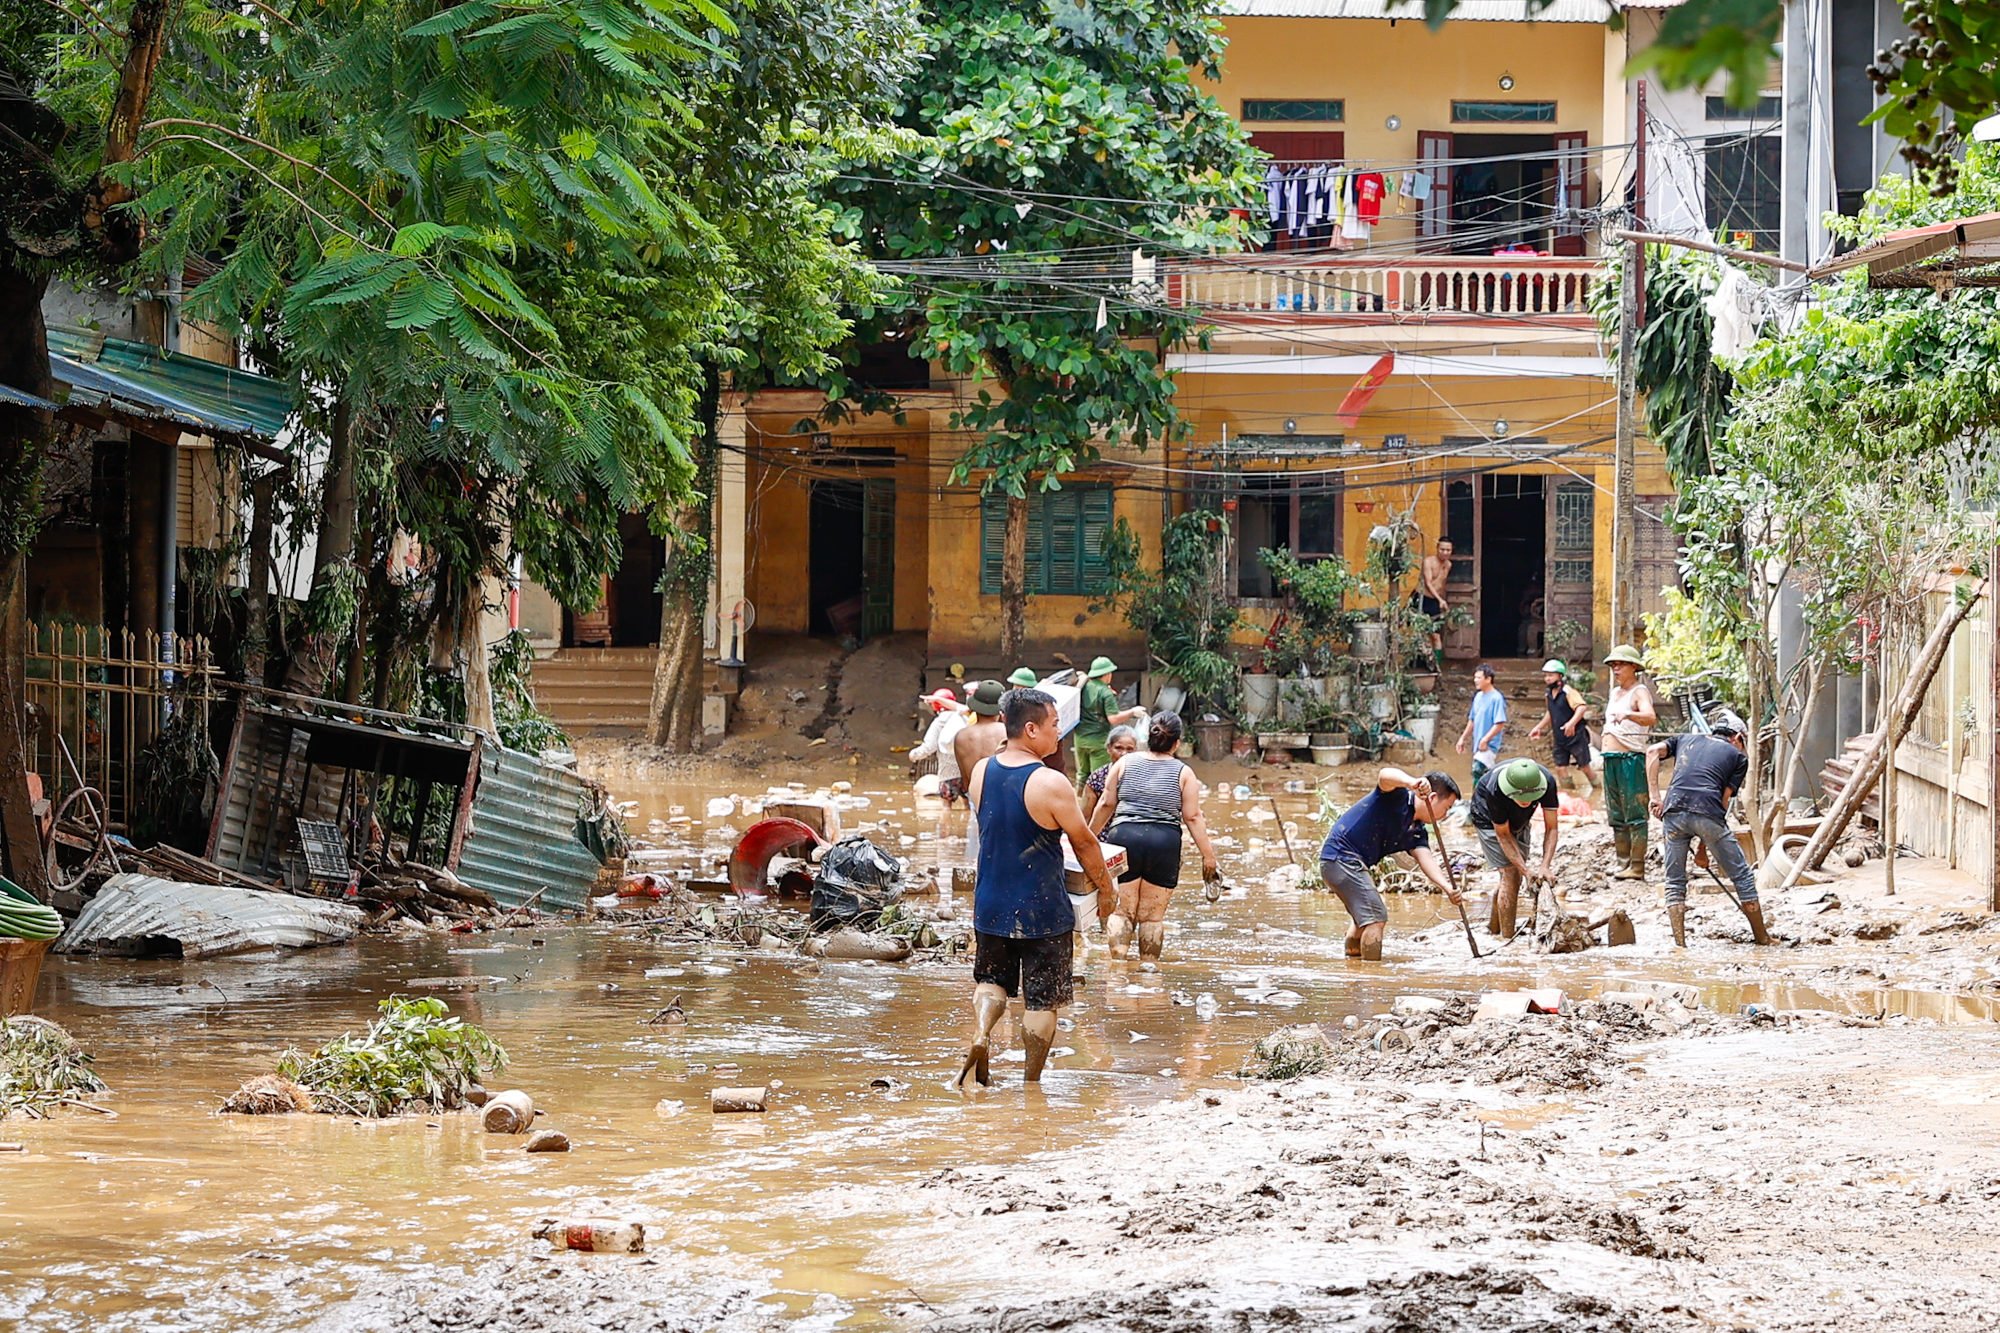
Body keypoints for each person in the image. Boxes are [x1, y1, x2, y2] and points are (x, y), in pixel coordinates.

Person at [959, 688, 1114, 1088]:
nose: (1059, 734)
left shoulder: (981, 772)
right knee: (1042, 1001)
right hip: (1042, 909)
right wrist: (1107, 890)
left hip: (990, 903)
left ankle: (981, 1035)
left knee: (990, 981)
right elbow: (1084, 844)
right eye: (1054, 724)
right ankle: (1031, 1084)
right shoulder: (1051, 782)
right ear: (1031, 729)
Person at [1088, 712, 1217, 970]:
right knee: (1152, 917)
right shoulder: (1184, 772)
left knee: (1122, 911)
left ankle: (1119, 971)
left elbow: (1106, 803)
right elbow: (1192, 816)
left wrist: (1088, 839)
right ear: (1177, 743)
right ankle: (1148, 974)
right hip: (1164, 842)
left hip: (1124, 837)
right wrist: (1208, 856)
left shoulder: (1124, 763)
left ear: (1148, 737)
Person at [1646, 711, 1771, 947]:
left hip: (1673, 812)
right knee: (1742, 877)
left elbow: (1652, 751)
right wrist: (1704, 849)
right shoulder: (1737, 757)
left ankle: (1680, 946)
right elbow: (1721, 805)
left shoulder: (1684, 739)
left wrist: (1656, 798)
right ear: (1736, 737)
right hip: (1708, 814)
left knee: (1674, 882)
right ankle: (1763, 938)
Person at [1318, 768, 1463, 960]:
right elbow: (1384, 775)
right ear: (1433, 797)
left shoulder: (1417, 831)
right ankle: (1371, 977)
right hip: (1341, 858)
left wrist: (1447, 888)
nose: (1444, 815)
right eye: (1447, 808)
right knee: (1376, 918)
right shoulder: (1397, 796)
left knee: (1363, 922)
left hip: (1340, 863)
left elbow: (1426, 860)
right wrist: (1413, 783)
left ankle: (1352, 967)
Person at [1468, 757, 1561, 938]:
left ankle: (1493, 928)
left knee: (1512, 878)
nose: (1526, 801)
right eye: (1521, 798)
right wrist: (1526, 871)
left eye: (1529, 798)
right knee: (1511, 874)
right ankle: (1506, 938)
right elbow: (1503, 834)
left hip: (1521, 820)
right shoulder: (1494, 790)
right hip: (1488, 819)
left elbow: (1552, 827)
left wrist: (1545, 866)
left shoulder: (1547, 782)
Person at [1600, 645, 1658, 880]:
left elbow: (1651, 717)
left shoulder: (1639, 691)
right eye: (1613, 665)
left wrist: (1630, 715)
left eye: (1620, 664)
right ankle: (1622, 863)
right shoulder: (1615, 693)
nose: (1616, 669)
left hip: (1630, 759)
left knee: (1635, 813)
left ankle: (1637, 866)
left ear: (1633, 667)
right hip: (1611, 759)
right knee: (1616, 814)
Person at [954, 681, 1008, 865]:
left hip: (976, 795)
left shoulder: (961, 736)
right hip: (1005, 795)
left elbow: (965, 777)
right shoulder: (1006, 732)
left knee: (980, 845)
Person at [1527, 660, 1596, 799]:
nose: (1547, 679)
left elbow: (1581, 707)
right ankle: (1569, 795)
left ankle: (1598, 789)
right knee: (1560, 768)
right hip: (1559, 738)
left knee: (1584, 767)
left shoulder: (1568, 691)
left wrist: (1571, 723)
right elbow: (1550, 713)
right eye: (1546, 676)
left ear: (1559, 676)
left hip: (1576, 736)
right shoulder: (1548, 695)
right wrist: (1538, 727)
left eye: (1551, 675)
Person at [1073, 656, 1143, 784]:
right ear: (1107, 674)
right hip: (1098, 741)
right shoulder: (1105, 692)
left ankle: (1080, 801)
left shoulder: (1083, 686)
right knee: (1098, 778)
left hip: (1080, 739)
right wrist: (1133, 711)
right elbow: (1113, 719)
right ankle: (1098, 803)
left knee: (1082, 775)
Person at [910, 688, 970, 806]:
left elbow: (929, 746)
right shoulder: (966, 718)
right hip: (967, 772)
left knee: (946, 805)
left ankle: (945, 824)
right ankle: (967, 823)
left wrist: (914, 755)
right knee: (968, 804)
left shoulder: (940, 721)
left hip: (948, 773)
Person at [1454, 663, 1507, 781]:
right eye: (1475, 677)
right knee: (1484, 776)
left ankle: (1477, 799)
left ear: (1488, 679)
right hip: (1478, 745)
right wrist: (1462, 738)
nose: (1475, 680)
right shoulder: (1478, 696)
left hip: (1488, 745)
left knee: (1477, 771)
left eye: (1479, 678)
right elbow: (1472, 720)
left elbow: (1500, 723)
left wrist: (1485, 739)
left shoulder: (1497, 698)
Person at [1080, 724, 1140, 824]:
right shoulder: (1097, 777)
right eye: (1119, 748)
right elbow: (1086, 815)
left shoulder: (1141, 776)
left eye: (1129, 750)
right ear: (1109, 748)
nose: (1124, 754)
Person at [1414, 538, 1454, 661]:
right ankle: (1417, 662)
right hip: (1422, 598)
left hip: (1435, 601)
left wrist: (1441, 601)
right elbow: (1428, 583)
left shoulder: (1448, 565)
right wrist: (1440, 600)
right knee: (1418, 633)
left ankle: (1437, 668)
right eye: (1442, 549)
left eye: (1448, 550)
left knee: (1436, 636)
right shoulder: (1428, 562)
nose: (1445, 553)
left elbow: (1441, 584)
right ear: (1437, 548)